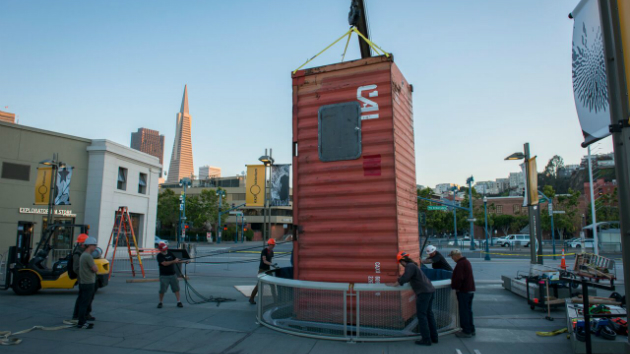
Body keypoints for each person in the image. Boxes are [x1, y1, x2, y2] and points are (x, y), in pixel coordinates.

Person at [388, 251, 438, 346]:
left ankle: (426, 339)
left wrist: (394, 284)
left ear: (403, 261)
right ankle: (434, 337)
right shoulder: (414, 266)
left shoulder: (409, 266)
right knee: (429, 314)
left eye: (400, 263)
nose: (401, 265)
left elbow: (405, 278)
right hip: (430, 290)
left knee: (422, 316)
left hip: (423, 293)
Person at [449, 249, 476, 338]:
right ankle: (471, 329)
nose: (452, 259)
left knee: (463, 311)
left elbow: (459, 278)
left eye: (452, 257)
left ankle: (466, 331)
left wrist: (455, 287)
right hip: (470, 290)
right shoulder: (466, 262)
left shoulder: (460, 264)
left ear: (456, 256)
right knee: (468, 311)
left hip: (463, 291)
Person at [72, 233, 95, 322]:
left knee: (87, 298)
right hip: (84, 279)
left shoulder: (83, 253)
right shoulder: (78, 254)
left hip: (86, 278)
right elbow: (76, 268)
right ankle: (79, 316)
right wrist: (84, 274)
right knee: (83, 299)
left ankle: (85, 314)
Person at [76, 237, 98, 329]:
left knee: (83, 302)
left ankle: (81, 320)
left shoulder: (83, 255)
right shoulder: (88, 256)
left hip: (83, 282)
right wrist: (94, 267)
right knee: (85, 302)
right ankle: (82, 322)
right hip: (88, 282)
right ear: (90, 245)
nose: (95, 248)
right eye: (94, 245)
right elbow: (95, 269)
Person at [157, 242, 187, 308]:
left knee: (176, 289)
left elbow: (176, 260)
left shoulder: (169, 253)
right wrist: (173, 261)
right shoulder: (159, 256)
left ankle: (178, 301)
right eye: (164, 250)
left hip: (173, 274)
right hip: (164, 275)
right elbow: (164, 263)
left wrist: (184, 261)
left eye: (166, 249)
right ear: (161, 250)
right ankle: (160, 302)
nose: (165, 251)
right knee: (162, 290)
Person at [249, 239, 277, 305]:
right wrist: (271, 264)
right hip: (262, 270)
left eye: (274, 245)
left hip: (268, 269)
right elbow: (264, 261)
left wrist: (274, 266)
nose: (273, 246)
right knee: (259, 285)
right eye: (272, 245)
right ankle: (251, 298)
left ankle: (276, 300)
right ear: (269, 244)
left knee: (272, 285)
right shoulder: (264, 251)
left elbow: (270, 261)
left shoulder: (271, 252)